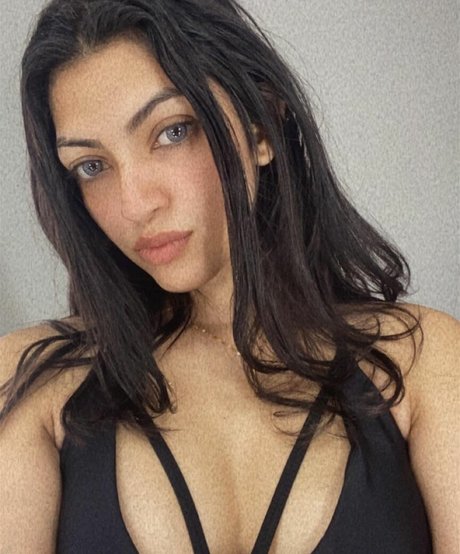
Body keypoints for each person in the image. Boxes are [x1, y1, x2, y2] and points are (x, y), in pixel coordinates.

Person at [0, 0, 458, 552]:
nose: (134, 204)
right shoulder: (30, 385)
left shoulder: (426, 364)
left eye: (173, 132)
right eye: (92, 166)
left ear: (260, 125)